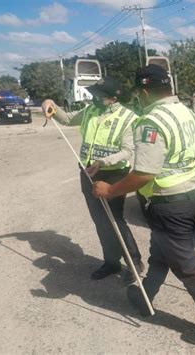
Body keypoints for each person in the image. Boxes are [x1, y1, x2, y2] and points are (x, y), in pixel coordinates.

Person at [93, 64, 195, 346]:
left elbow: (144, 173)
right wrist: (194, 184)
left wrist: (110, 190)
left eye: (139, 94)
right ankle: (146, 297)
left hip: (168, 202)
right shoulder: (190, 114)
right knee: (160, 252)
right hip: (189, 196)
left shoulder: (150, 122)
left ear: (144, 92)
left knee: (186, 265)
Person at [41, 76, 144, 282]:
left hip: (113, 174)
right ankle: (112, 262)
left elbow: (128, 151)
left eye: (99, 95)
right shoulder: (90, 110)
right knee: (100, 221)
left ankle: (135, 262)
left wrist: (102, 162)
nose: (94, 98)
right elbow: (67, 118)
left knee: (114, 219)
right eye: (94, 94)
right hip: (88, 172)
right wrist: (50, 104)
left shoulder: (128, 118)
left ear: (113, 98)